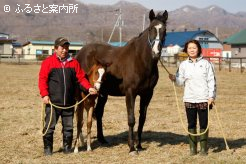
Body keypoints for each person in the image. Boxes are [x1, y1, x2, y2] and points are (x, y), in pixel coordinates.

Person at [38, 37, 97, 156]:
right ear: (55, 49)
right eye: (62, 47)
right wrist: (44, 95)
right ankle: (48, 149)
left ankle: (67, 148)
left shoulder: (74, 63)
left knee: (68, 127)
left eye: (66, 47)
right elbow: (42, 80)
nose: (65, 50)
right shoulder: (48, 62)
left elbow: (81, 78)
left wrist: (88, 88)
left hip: (69, 102)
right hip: (53, 102)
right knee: (50, 126)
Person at [169, 40, 216, 156]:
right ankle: (192, 150)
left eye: (194, 48)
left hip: (204, 99)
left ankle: (204, 150)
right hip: (189, 98)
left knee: (204, 124)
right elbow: (180, 82)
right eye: (189, 48)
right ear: (186, 50)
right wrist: (175, 79)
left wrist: (211, 96)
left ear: (198, 49)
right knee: (191, 124)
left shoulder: (206, 64)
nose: (192, 50)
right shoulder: (183, 65)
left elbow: (212, 81)